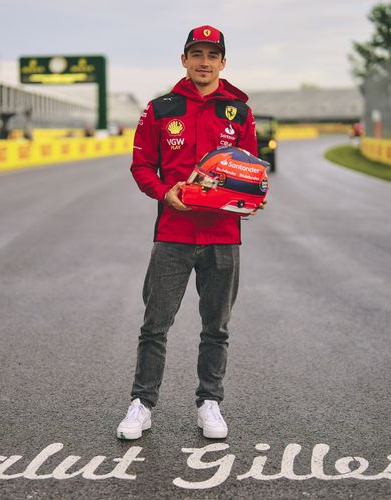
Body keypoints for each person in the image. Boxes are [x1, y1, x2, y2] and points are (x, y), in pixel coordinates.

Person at [117, 25, 265, 440]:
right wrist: (165, 193)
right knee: (155, 325)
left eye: (212, 55)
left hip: (222, 237)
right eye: (196, 54)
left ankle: (209, 403)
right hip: (173, 233)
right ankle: (142, 404)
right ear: (183, 59)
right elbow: (141, 166)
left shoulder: (239, 111)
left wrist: (252, 199)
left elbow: (251, 173)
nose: (204, 62)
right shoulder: (159, 109)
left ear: (223, 62)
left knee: (216, 328)